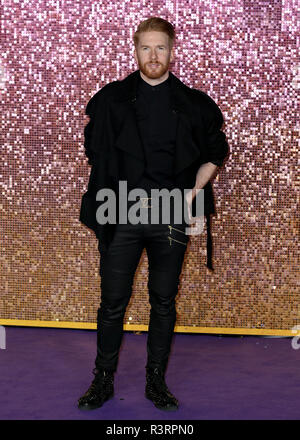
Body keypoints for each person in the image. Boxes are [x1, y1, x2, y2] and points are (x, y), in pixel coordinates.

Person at [78, 17, 228, 412]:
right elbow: (94, 151)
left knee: (163, 301)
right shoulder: (111, 100)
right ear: (135, 51)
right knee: (113, 302)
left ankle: (155, 381)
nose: (154, 55)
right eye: (146, 47)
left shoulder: (193, 104)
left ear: (172, 51)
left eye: (161, 47)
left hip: (169, 217)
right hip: (120, 214)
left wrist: (189, 193)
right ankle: (103, 381)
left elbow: (216, 151)